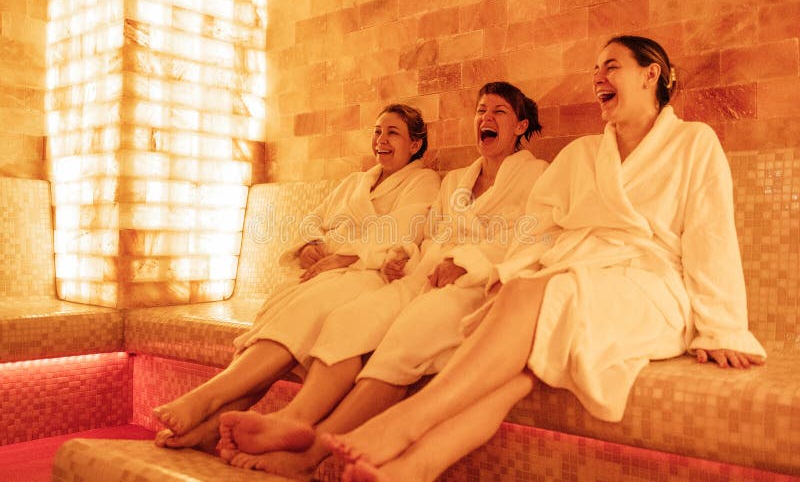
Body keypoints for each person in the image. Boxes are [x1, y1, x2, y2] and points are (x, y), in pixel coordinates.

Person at [320, 35, 768, 482]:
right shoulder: (583, 154)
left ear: (651, 75)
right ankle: (415, 468)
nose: (597, 77)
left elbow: (712, 235)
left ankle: (405, 422)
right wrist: (506, 270)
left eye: (611, 66)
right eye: (595, 69)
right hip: (579, 276)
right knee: (520, 362)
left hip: (652, 289)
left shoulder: (693, 142)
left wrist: (722, 328)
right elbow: (539, 233)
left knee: (539, 293)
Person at [215, 81, 550, 477]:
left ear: (520, 126)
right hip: (423, 278)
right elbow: (426, 237)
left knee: (407, 337)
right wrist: (401, 257)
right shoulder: (456, 180)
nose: (486, 118)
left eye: (498, 112)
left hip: (479, 287)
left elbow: (534, 241)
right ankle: (296, 419)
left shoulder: (537, 177)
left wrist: (469, 263)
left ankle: (314, 449)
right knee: (349, 319)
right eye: (480, 110)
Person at [152, 103, 441, 452]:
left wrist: (343, 256)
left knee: (306, 311)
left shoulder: (424, 180)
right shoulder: (355, 182)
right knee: (284, 312)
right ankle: (212, 423)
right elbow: (312, 220)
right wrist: (312, 245)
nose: (381, 140)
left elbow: (403, 229)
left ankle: (208, 398)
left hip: (367, 275)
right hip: (325, 274)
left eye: (393, 132)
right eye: (377, 131)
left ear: (415, 144)